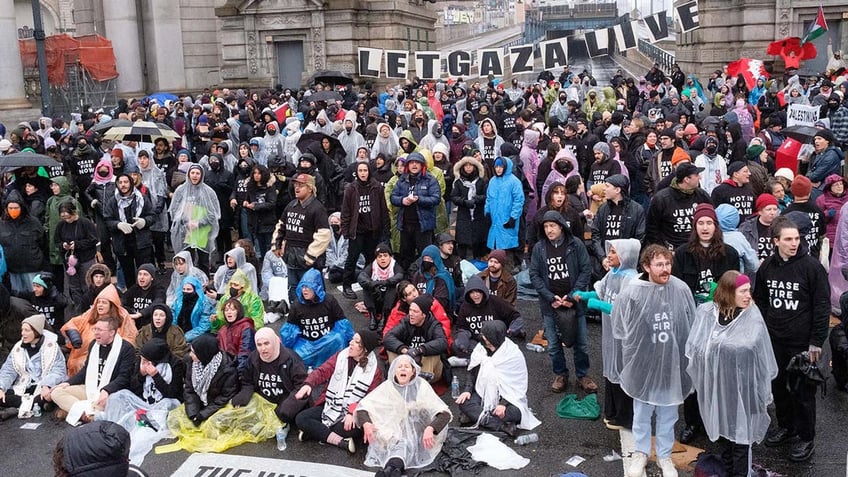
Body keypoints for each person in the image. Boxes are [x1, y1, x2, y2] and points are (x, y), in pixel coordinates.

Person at [612, 244, 695, 477]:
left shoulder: (680, 289)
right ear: (646, 266)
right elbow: (620, 328)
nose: (665, 269)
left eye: (668, 263)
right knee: (642, 411)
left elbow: (692, 323)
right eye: (659, 264)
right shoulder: (633, 291)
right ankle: (640, 452)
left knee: (669, 414)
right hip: (644, 362)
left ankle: (665, 455)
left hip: (672, 363)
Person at [686, 271, 778, 477]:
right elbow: (695, 346)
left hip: (744, 388)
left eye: (749, 291)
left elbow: (751, 346)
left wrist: (720, 345)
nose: (748, 296)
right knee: (726, 437)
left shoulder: (751, 316)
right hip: (719, 386)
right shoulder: (707, 312)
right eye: (743, 291)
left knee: (741, 439)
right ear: (728, 292)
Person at [754, 217, 830, 462]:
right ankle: (787, 427)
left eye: (796, 238)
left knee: (803, 393)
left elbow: (821, 306)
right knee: (779, 388)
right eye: (788, 239)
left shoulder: (811, 268)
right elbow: (761, 300)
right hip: (775, 341)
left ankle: (807, 438)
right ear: (775, 241)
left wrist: (816, 342)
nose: (794, 243)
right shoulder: (767, 267)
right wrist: (765, 330)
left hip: (802, 344)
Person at [529, 210, 595, 393]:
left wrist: (572, 295)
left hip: (575, 302)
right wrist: (550, 297)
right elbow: (534, 274)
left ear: (561, 226)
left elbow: (585, 270)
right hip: (550, 305)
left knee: (581, 343)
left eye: (552, 226)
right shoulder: (539, 248)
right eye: (546, 226)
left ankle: (583, 375)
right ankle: (561, 374)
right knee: (553, 345)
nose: (549, 230)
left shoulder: (576, 245)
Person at [356, 354, 452, 477]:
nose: (402, 369)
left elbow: (444, 414)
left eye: (406, 367)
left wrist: (431, 428)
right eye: (399, 366)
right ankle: (392, 470)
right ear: (394, 371)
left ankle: (390, 469)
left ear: (413, 371)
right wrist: (367, 423)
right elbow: (363, 407)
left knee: (405, 443)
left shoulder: (421, 386)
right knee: (398, 442)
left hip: (418, 430)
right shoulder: (387, 387)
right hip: (391, 429)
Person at [294, 329, 384, 453]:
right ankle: (342, 442)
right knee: (301, 418)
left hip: (354, 412)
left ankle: (315, 432)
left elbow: (370, 399)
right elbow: (322, 371)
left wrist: (352, 412)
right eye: (352, 339)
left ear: (365, 349)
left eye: (356, 342)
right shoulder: (341, 356)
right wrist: (308, 384)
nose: (351, 343)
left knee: (351, 429)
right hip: (331, 405)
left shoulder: (375, 372)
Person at [455, 320, 540, 435]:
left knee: (516, 412)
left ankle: (478, 417)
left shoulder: (513, 354)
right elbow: (471, 370)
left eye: (485, 335)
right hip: (483, 393)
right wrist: (467, 391)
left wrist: (503, 404)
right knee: (464, 403)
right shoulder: (480, 348)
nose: (482, 337)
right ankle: (500, 425)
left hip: (507, 399)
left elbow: (517, 386)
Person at [51, 315, 136, 426]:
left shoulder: (126, 348)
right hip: (91, 388)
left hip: (111, 392)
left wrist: (106, 390)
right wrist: (67, 383)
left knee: (104, 404)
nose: (95, 333)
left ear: (112, 332)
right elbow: (85, 371)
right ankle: (86, 415)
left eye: (99, 330)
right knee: (57, 392)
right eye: (95, 329)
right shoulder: (94, 345)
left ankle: (73, 411)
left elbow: (124, 378)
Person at [271, 173, 332, 303]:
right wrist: (276, 244)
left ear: (310, 188)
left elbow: (324, 235)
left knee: (314, 292)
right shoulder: (291, 205)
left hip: (309, 261)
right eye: (295, 185)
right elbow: (281, 226)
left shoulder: (317, 208)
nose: (296, 188)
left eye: (301, 185)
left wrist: (310, 256)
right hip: (291, 257)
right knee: (293, 292)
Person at [230, 328, 308, 424]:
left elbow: (302, 385)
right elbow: (247, 381)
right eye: (259, 345)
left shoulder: (290, 359)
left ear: (274, 342)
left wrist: (288, 406)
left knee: (292, 417)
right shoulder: (254, 358)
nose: (263, 349)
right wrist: (243, 396)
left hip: (286, 398)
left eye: (267, 343)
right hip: (264, 399)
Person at [281, 268, 353, 369]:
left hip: (327, 341)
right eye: (303, 286)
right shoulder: (296, 305)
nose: (304, 290)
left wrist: (351, 341)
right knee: (295, 356)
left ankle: (336, 368)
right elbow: (290, 332)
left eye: (308, 287)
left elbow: (342, 324)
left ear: (317, 288)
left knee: (339, 339)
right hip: (307, 344)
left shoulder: (329, 300)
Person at [0, 314, 67, 419]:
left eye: (27, 330)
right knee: (2, 395)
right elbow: (8, 370)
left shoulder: (52, 347)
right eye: (22, 330)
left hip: (42, 387)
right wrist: (1, 387)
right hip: (23, 386)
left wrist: (47, 384)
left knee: (51, 395)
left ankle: (18, 407)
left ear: (36, 332)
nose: (23, 334)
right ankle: (30, 405)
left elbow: (58, 371)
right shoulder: (18, 347)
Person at [340, 161, 390, 299]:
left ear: (369, 172)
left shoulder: (377, 187)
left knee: (371, 259)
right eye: (360, 171)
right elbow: (346, 211)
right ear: (357, 172)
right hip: (357, 230)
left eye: (365, 170)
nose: (363, 173)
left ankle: (369, 285)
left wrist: (386, 229)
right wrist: (345, 230)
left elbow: (383, 209)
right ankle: (347, 285)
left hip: (373, 230)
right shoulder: (351, 188)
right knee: (352, 258)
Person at [61, 285, 136, 376]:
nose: (100, 305)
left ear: (111, 305)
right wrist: (74, 336)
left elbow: (129, 340)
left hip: (107, 361)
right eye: (98, 302)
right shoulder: (89, 316)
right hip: (80, 360)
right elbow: (72, 323)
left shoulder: (123, 319)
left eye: (104, 302)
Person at [389, 152, 441, 271]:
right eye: (411, 163)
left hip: (423, 226)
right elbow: (393, 197)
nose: (414, 165)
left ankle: (425, 278)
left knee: (425, 255)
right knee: (406, 255)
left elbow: (436, 198)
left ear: (422, 165)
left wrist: (419, 199)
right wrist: (403, 200)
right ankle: (406, 280)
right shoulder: (402, 180)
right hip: (406, 225)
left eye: (417, 163)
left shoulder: (429, 179)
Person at [104, 173, 156, 288]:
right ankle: (131, 296)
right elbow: (107, 220)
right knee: (128, 274)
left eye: (126, 182)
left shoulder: (142, 198)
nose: (123, 185)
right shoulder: (113, 201)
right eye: (120, 182)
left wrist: (144, 221)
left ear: (131, 183)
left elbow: (152, 216)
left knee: (144, 272)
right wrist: (117, 224)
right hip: (122, 243)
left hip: (141, 242)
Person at [452, 276, 522, 359]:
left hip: (496, 341)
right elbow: (462, 327)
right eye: (472, 293)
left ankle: (476, 360)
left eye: (478, 292)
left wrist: (512, 329)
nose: (475, 295)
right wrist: (463, 342)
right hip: (478, 342)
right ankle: (484, 359)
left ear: (483, 291)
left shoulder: (495, 301)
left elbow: (515, 316)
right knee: (456, 345)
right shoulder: (465, 306)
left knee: (505, 352)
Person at [645, 163, 711, 250]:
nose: (700, 177)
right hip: (672, 250)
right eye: (696, 175)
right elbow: (652, 228)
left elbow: (712, 219)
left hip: (698, 248)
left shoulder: (702, 195)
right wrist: (663, 250)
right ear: (687, 179)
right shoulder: (662, 199)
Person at [383, 295, 449, 383]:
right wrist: (405, 350)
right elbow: (388, 337)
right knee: (391, 350)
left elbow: (442, 342)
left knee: (434, 353)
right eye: (410, 310)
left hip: (427, 367)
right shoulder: (406, 322)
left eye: (415, 311)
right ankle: (400, 377)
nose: (411, 314)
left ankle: (421, 381)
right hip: (408, 363)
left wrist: (419, 350)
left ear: (424, 315)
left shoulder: (434, 325)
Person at [169, 164, 222, 274]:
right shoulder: (180, 190)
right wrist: (186, 221)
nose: (195, 175)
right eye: (192, 173)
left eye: (198, 173)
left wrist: (199, 222)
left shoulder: (208, 192)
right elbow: (174, 210)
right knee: (187, 261)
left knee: (203, 262)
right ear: (188, 174)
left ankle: (204, 285)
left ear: (201, 175)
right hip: (185, 230)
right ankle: (187, 286)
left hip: (203, 231)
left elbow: (214, 213)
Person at [54, 201, 99, 311]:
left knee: (87, 285)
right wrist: (63, 245)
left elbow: (94, 239)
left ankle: (90, 308)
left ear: (74, 212)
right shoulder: (61, 225)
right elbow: (56, 241)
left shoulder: (85, 223)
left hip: (86, 259)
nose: (67, 220)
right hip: (70, 262)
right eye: (64, 218)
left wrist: (78, 244)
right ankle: (79, 310)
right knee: (74, 287)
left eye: (69, 217)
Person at [0, 193, 46, 293]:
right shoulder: (1, 224)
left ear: (22, 207)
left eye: (16, 207)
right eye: (10, 208)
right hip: (12, 270)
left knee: (35, 294)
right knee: (17, 297)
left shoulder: (33, 222)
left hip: (32, 268)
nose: (13, 211)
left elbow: (43, 242)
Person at [357, 243, 405, 331]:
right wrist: (372, 284)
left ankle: (384, 318)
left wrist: (384, 282)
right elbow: (361, 277)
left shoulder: (395, 266)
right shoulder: (372, 266)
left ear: (390, 257)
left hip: (389, 302)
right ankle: (373, 316)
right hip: (376, 298)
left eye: (385, 255)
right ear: (376, 258)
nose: (383, 258)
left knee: (392, 287)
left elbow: (399, 276)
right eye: (380, 256)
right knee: (367, 287)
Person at [484, 157, 524, 262]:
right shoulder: (492, 181)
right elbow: (488, 198)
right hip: (494, 221)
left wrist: (513, 218)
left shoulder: (514, 182)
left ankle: (508, 272)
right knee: (495, 248)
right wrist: (487, 212)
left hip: (507, 220)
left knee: (507, 249)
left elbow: (518, 201)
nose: (498, 169)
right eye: (496, 166)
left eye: (500, 166)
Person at [451, 155, 489, 259]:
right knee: (463, 242)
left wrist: (477, 199)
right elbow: (454, 197)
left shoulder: (481, 181)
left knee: (479, 242)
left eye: (470, 165)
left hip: (478, 215)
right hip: (464, 215)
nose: (468, 167)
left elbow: (487, 196)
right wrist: (464, 202)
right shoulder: (459, 182)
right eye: (466, 165)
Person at [216, 298, 256, 375]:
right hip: (225, 368)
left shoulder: (246, 327)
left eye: (232, 310)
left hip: (240, 369)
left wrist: (239, 374)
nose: (229, 312)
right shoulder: (222, 330)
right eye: (226, 310)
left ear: (239, 312)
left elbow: (245, 353)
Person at [121, 264, 165, 330]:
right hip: (134, 323)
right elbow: (123, 300)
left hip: (151, 324)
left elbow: (158, 302)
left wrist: (140, 314)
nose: (141, 277)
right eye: (140, 274)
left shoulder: (159, 289)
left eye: (145, 274)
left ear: (152, 278)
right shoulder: (134, 288)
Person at [171, 276, 214, 343]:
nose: (185, 291)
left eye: (188, 289)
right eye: (184, 289)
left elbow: (204, 326)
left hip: (196, 338)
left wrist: (185, 338)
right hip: (177, 336)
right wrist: (175, 334)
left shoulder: (204, 303)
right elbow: (172, 318)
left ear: (195, 290)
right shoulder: (178, 301)